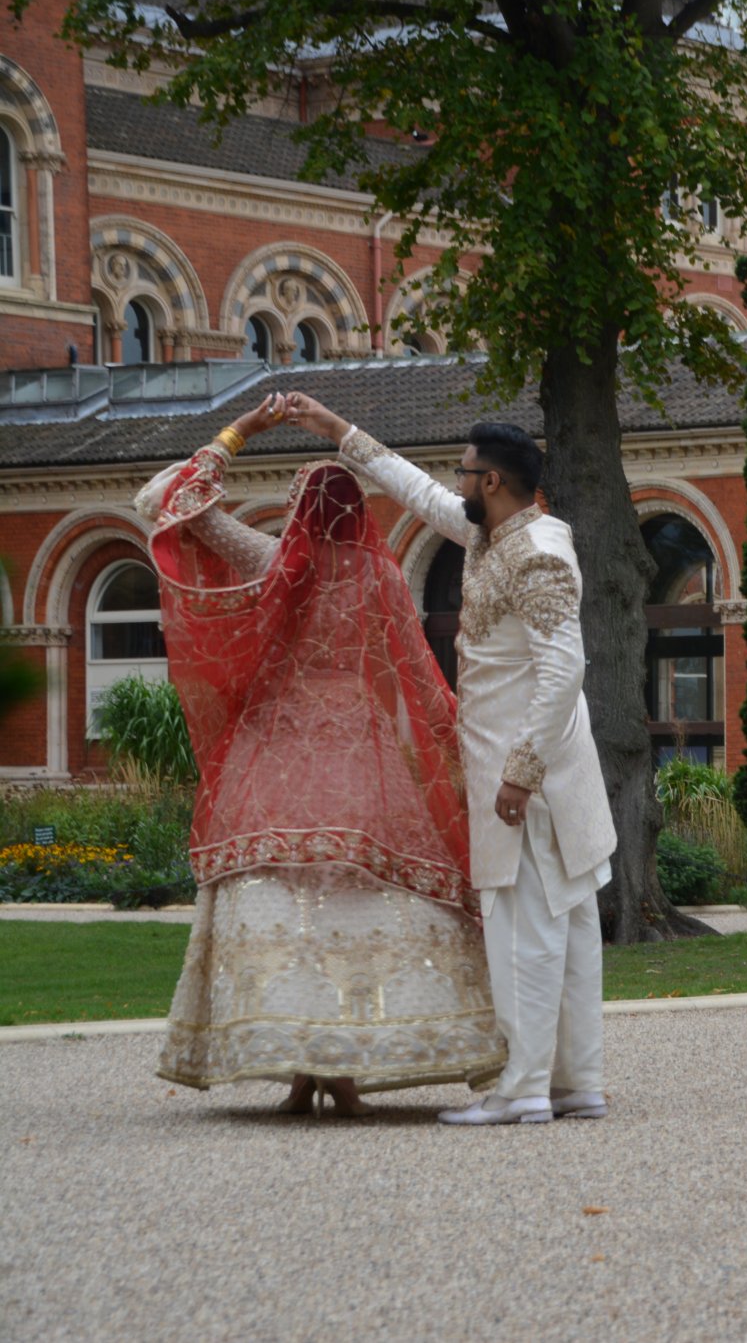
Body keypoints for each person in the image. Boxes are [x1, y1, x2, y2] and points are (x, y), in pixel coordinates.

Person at [139, 395, 506, 1114]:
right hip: (358, 750)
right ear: (357, 513)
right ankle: (340, 1064)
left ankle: (303, 1069)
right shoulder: (384, 578)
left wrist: (241, 429)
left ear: (299, 510)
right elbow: (411, 679)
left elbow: (162, 498)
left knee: (288, 898)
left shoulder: (275, 561)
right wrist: (443, 745)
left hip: (275, 750)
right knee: (357, 900)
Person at [286, 393, 617, 1127]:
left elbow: (565, 668)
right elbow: (418, 490)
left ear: (492, 482)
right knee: (561, 926)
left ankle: (528, 1087)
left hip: (529, 781)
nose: (457, 482)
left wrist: (519, 773)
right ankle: (575, 1082)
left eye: (465, 472)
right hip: (534, 775)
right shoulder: (489, 537)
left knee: (529, 929)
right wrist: (339, 432)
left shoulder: (538, 553)